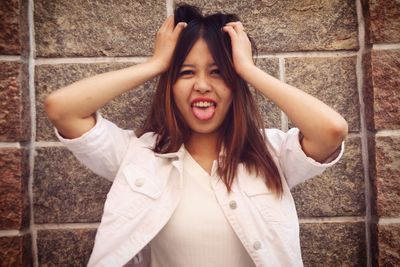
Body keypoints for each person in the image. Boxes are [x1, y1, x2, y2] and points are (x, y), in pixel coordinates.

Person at [45, 4, 347, 267]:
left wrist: (248, 70)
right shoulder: (136, 155)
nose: (202, 85)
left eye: (217, 72)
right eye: (186, 72)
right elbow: (61, 109)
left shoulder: (271, 154)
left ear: (234, 84)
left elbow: (331, 130)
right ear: (170, 85)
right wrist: (155, 65)